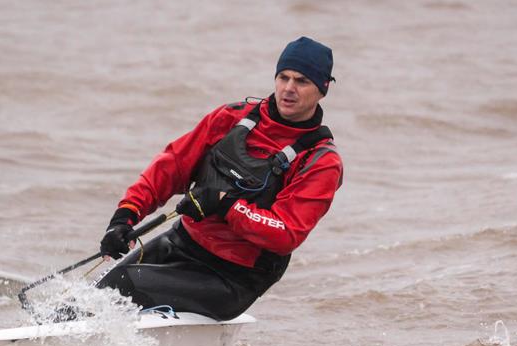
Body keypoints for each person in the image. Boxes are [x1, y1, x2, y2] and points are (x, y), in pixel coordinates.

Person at [96, 36, 343, 321]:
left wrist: (225, 204)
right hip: (181, 243)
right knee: (95, 291)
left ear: (322, 90)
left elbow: (286, 232)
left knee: (122, 285)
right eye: (283, 77)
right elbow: (171, 167)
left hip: (233, 277)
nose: (289, 89)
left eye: (301, 81)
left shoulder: (321, 161)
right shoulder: (230, 117)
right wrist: (125, 216)